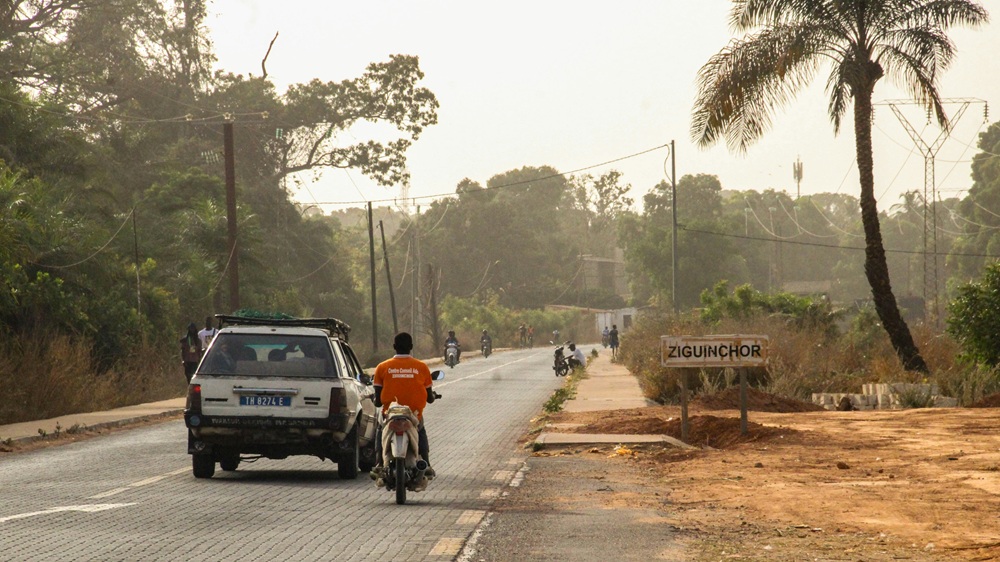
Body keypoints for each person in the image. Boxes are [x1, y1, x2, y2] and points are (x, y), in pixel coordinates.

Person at [372, 332, 437, 474]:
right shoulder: (421, 367)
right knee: (421, 430)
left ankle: (378, 462)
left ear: (394, 346)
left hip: (390, 414)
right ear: (411, 347)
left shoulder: (382, 367)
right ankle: (426, 463)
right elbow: (430, 398)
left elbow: (377, 402)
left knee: (379, 429)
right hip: (413, 415)